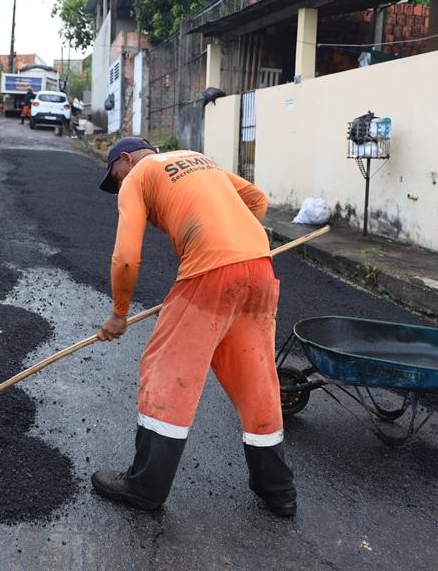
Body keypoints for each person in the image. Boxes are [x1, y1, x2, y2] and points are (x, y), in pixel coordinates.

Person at [91, 137, 297, 517]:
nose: (118, 185)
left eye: (115, 177)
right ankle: (278, 490)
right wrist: (236, 245)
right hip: (261, 271)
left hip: (209, 276)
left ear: (125, 160)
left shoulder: (140, 175)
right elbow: (257, 200)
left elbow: (125, 259)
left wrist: (119, 314)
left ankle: (146, 486)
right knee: (257, 379)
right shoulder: (198, 159)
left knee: (168, 372)